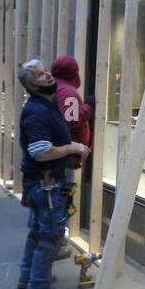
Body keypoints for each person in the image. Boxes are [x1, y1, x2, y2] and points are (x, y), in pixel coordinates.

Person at [17, 59, 89, 289]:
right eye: (39, 75)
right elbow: (40, 150)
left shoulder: (45, 104)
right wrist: (73, 147)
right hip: (46, 182)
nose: (46, 76)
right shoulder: (37, 111)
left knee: (38, 232)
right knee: (50, 236)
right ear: (31, 86)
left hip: (41, 181)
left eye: (45, 71)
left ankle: (29, 277)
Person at [49, 55, 94, 260]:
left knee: (58, 201)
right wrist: (88, 108)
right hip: (64, 159)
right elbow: (71, 120)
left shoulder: (55, 87)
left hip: (58, 158)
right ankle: (54, 247)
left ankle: (51, 245)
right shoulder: (67, 91)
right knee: (61, 203)